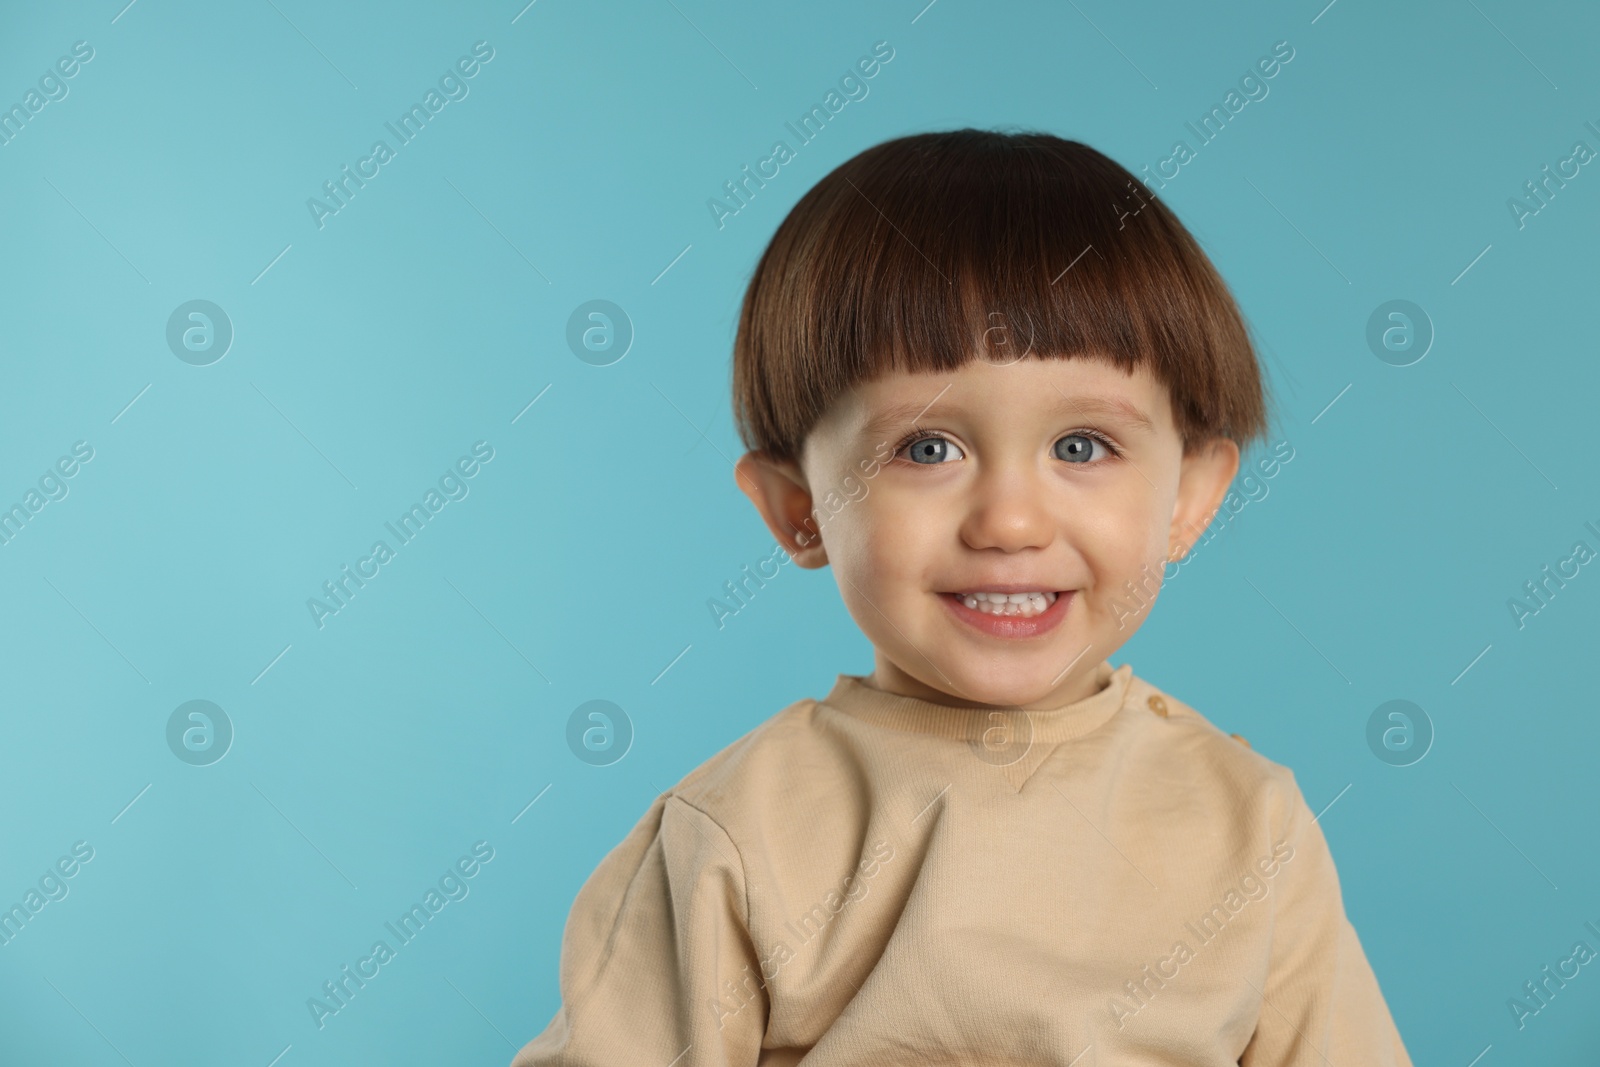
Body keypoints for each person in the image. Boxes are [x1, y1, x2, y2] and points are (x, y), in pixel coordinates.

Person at [510, 128, 1412, 1065]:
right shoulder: (734, 838)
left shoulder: (1251, 825)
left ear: (1188, 496)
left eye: (1081, 447)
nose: (1010, 522)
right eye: (927, 449)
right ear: (799, 509)